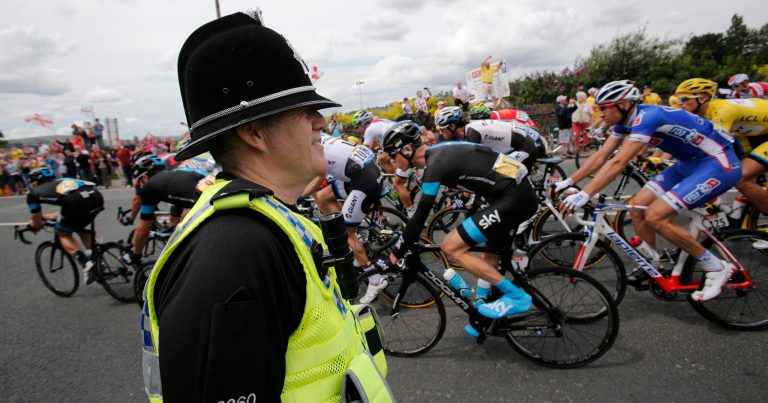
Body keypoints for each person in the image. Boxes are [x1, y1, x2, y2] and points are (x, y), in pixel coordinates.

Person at [140, 9, 392, 402]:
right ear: (254, 132)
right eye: (304, 110)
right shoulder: (235, 251)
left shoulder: (271, 220)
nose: (321, 122)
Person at [559, 80, 741, 301]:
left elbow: (618, 162)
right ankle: (653, 264)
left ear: (624, 104)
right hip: (687, 163)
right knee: (636, 207)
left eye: (605, 108)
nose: (601, 114)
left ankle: (716, 266)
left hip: (716, 163)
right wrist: (568, 181)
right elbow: (600, 156)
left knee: (656, 216)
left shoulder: (648, 117)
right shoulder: (624, 122)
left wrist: (584, 193)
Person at [381, 121, 538, 335]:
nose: (392, 161)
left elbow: (419, 218)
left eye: (392, 155)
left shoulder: (434, 166)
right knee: (489, 256)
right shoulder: (438, 152)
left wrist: (395, 253)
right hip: (511, 192)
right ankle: (481, 314)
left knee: (450, 246)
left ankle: (517, 297)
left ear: (406, 150)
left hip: (514, 197)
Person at [309, 134, 385, 303]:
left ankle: (375, 280)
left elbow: (319, 177)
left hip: (364, 180)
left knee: (345, 232)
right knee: (323, 196)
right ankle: (345, 226)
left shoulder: (308, 146)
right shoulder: (319, 136)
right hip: (362, 171)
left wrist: (299, 195)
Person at [675, 78, 768, 214]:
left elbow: (713, 144)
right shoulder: (707, 111)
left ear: (703, 98)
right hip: (758, 133)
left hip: (760, 133)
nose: (679, 103)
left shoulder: (723, 111)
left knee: (741, 178)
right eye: (677, 99)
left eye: (684, 98)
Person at [119, 153, 208, 265]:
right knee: (182, 222)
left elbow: (143, 229)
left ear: (145, 177)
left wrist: (135, 255)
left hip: (205, 196)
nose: (140, 186)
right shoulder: (175, 171)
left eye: (140, 182)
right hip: (213, 186)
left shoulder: (150, 186)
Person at [26, 167, 104, 284]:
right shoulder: (63, 181)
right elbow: (67, 209)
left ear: (35, 182)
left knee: (62, 233)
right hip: (96, 197)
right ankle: (96, 259)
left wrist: (33, 226)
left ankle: (86, 263)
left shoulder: (33, 194)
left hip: (74, 203)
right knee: (78, 225)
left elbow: (36, 222)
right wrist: (46, 217)